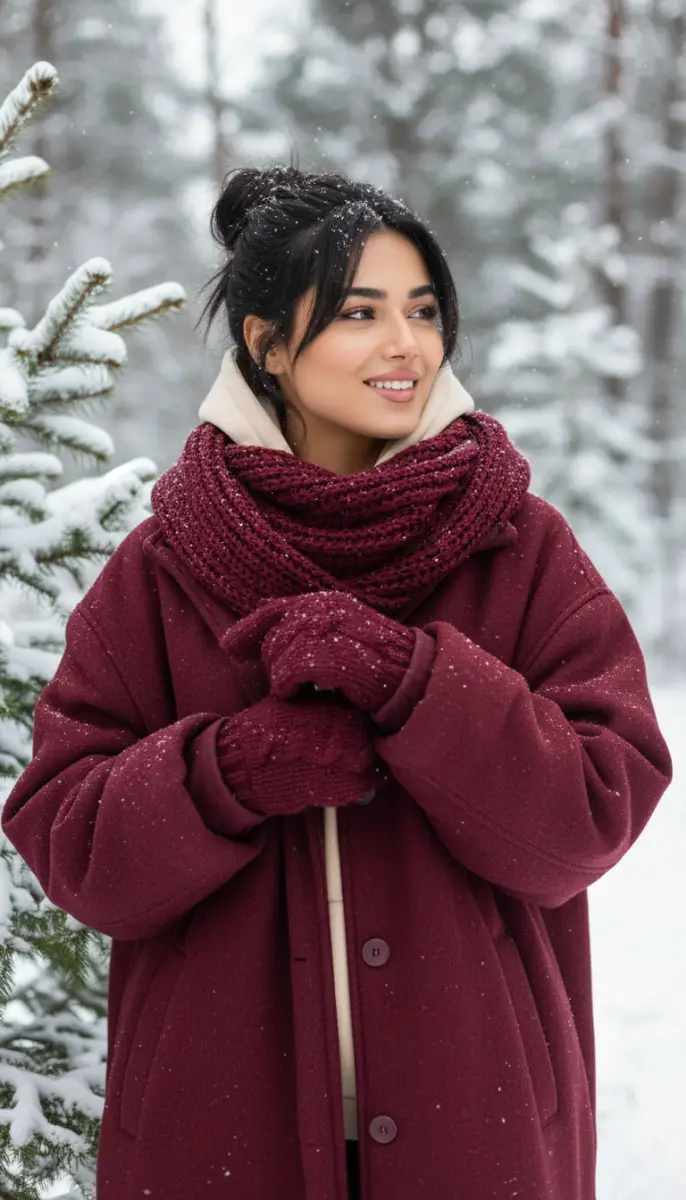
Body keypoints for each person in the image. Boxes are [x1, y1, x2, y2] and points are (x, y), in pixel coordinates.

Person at [2, 164, 672, 1200]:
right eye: (359, 313)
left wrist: (418, 685)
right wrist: (220, 774)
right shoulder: (165, 564)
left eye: (421, 309)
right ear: (265, 342)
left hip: (479, 1124)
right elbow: (70, 839)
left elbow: (591, 809)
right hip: (215, 1132)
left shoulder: (517, 547)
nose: (406, 344)